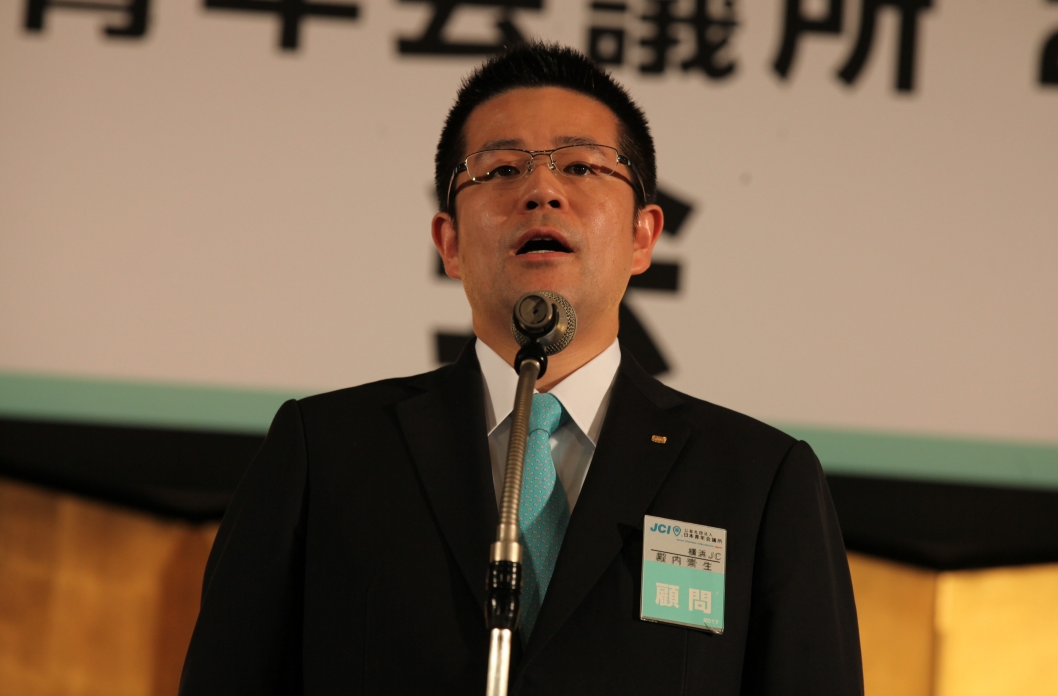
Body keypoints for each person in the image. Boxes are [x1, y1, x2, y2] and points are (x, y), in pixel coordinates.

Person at [179, 42, 863, 695]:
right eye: (502, 169)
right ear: (449, 241)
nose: (542, 190)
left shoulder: (757, 481)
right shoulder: (324, 451)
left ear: (643, 236)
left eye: (582, 166)